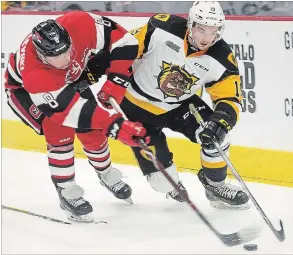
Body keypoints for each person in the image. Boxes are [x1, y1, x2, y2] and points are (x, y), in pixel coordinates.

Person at [4, 11, 148, 222]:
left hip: (67, 82)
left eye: (67, 50)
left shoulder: (80, 23)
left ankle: (106, 173)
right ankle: (66, 190)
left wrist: (116, 81)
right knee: (59, 132)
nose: (65, 58)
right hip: (24, 91)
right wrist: (114, 125)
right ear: (42, 56)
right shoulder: (36, 76)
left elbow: (126, 42)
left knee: (94, 133)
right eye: (55, 56)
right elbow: (69, 112)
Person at [103, 1, 250, 209]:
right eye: (201, 30)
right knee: (161, 182)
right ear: (190, 24)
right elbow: (125, 48)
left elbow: (230, 98)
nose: (206, 38)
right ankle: (170, 185)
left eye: (213, 31)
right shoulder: (161, 28)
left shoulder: (221, 57)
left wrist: (220, 122)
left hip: (179, 106)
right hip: (135, 107)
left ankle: (214, 186)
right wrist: (110, 73)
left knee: (218, 135)